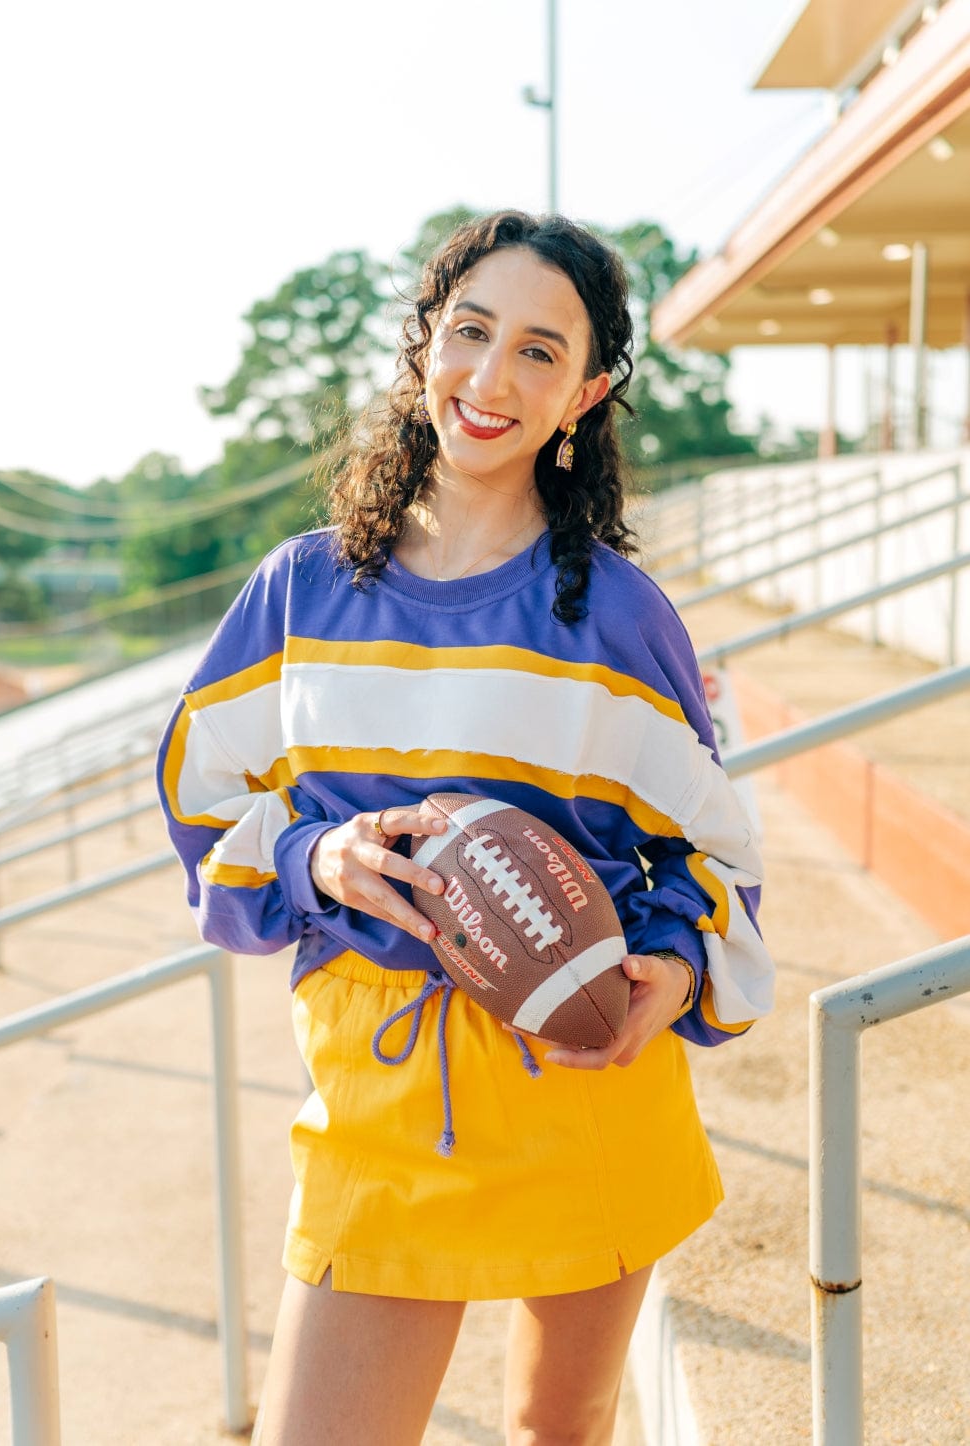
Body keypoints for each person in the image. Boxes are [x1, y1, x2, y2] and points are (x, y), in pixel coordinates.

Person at [157, 210, 773, 1445]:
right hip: (382, 1098)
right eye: (470, 332)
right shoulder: (302, 589)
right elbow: (198, 799)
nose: (491, 380)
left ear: (587, 392)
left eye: (540, 353)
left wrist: (675, 959)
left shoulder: (619, 616)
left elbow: (708, 849)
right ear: (421, 346)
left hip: (580, 1074)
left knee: (562, 1431)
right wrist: (308, 854)